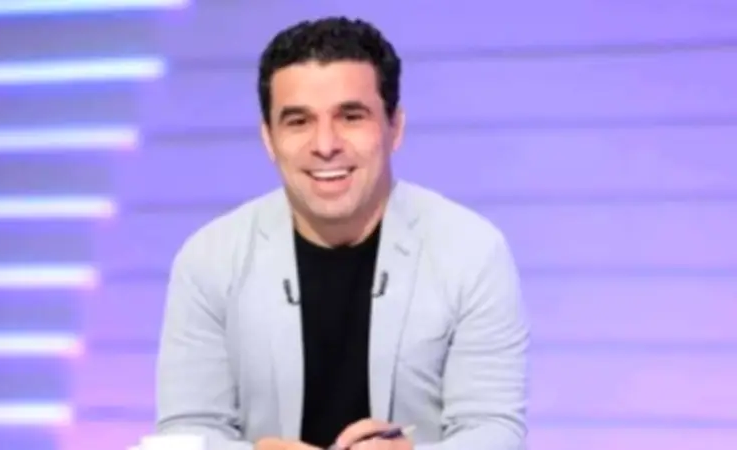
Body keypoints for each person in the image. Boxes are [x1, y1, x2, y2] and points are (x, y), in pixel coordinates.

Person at [155, 16, 529, 450]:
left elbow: (493, 431)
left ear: (395, 128)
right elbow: (185, 434)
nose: (325, 144)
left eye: (351, 117)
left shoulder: (472, 252)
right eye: (298, 121)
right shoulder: (209, 259)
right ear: (268, 139)